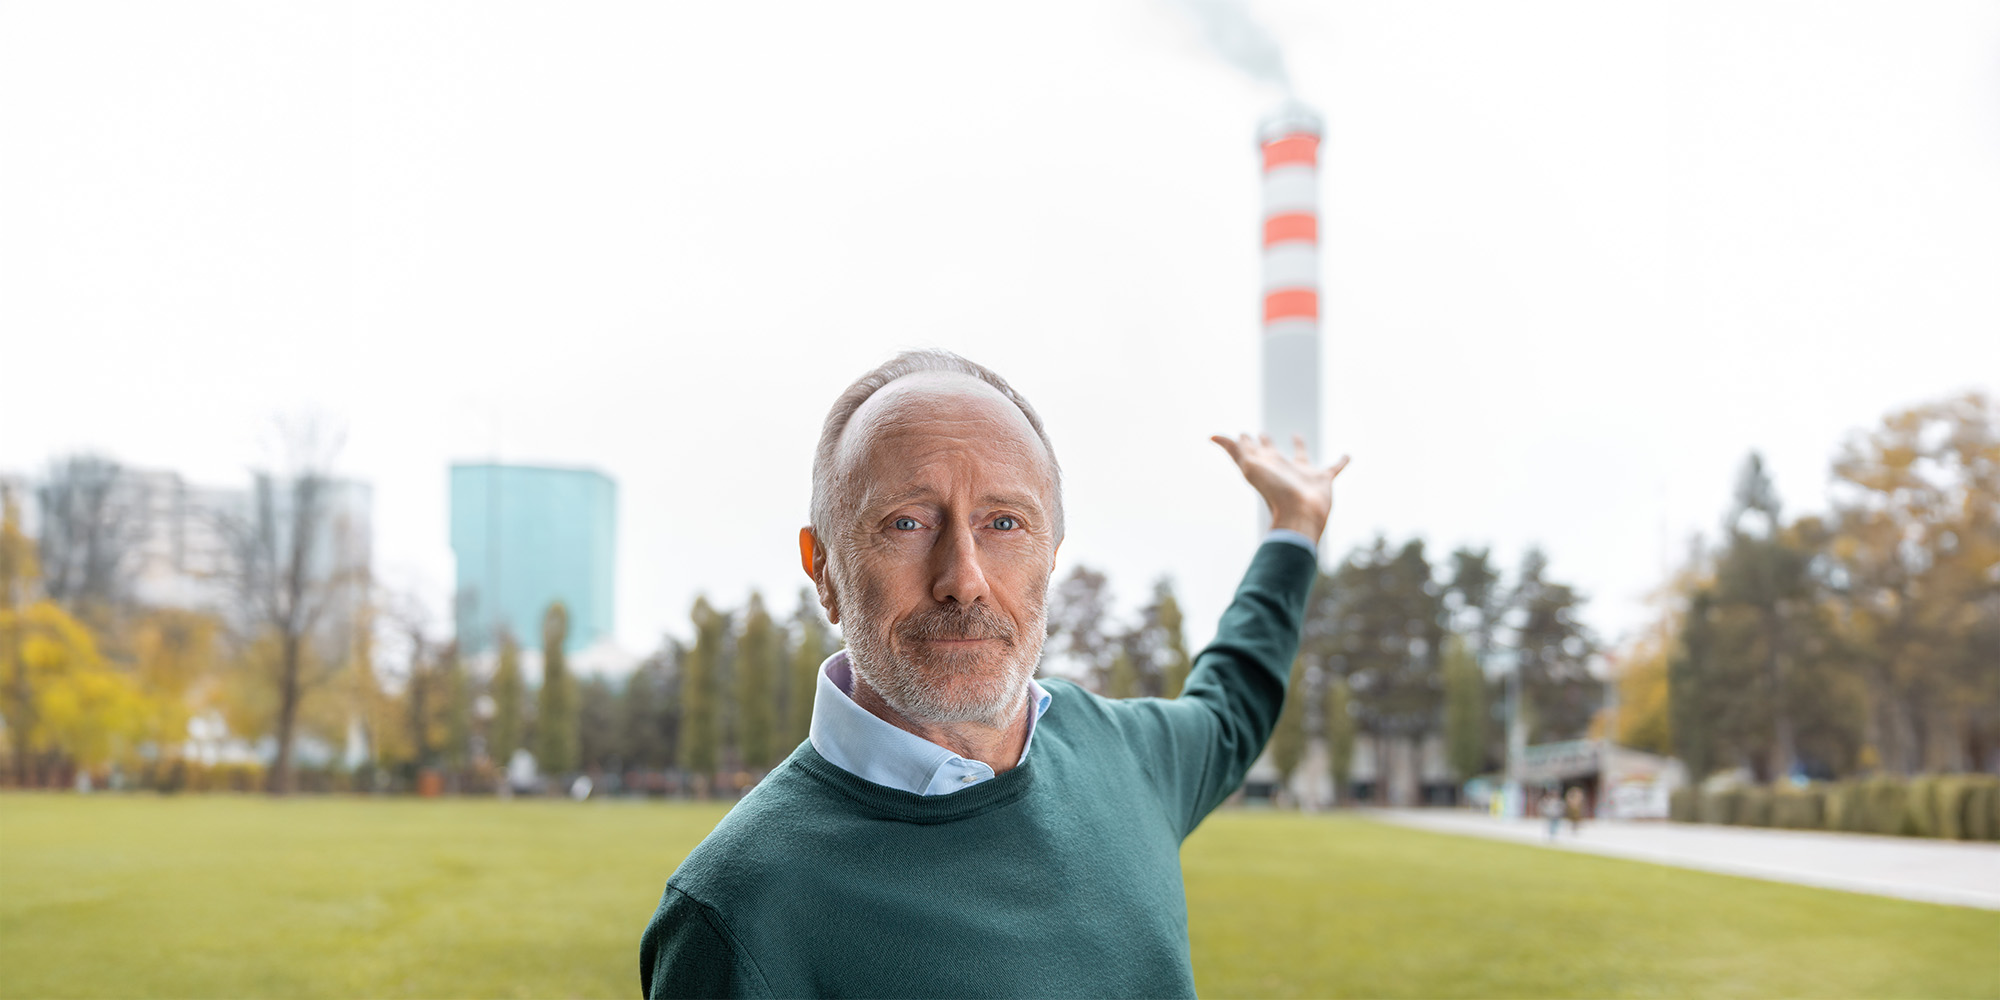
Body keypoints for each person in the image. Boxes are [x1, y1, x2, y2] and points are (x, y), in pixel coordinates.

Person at [637, 350, 1348, 998]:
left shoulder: (1123, 755)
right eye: (908, 523)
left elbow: (1233, 702)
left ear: (1051, 556)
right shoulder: (738, 911)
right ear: (823, 568)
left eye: (1003, 524)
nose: (964, 580)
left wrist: (1294, 529)